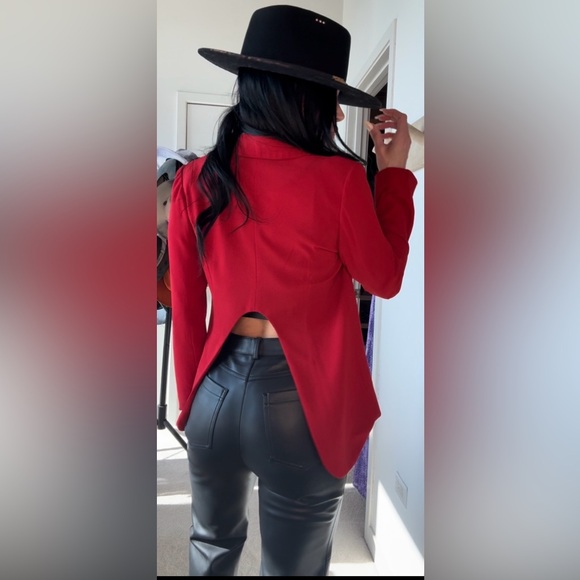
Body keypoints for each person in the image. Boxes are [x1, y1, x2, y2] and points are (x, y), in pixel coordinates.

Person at [168, 5, 417, 576]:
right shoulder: (341, 179)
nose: (338, 112)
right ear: (304, 99)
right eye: (332, 97)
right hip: (302, 403)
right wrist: (395, 177)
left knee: (210, 547)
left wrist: (191, 401)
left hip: (213, 394)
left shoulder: (195, 178)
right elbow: (384, 279)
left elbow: (186, 306)